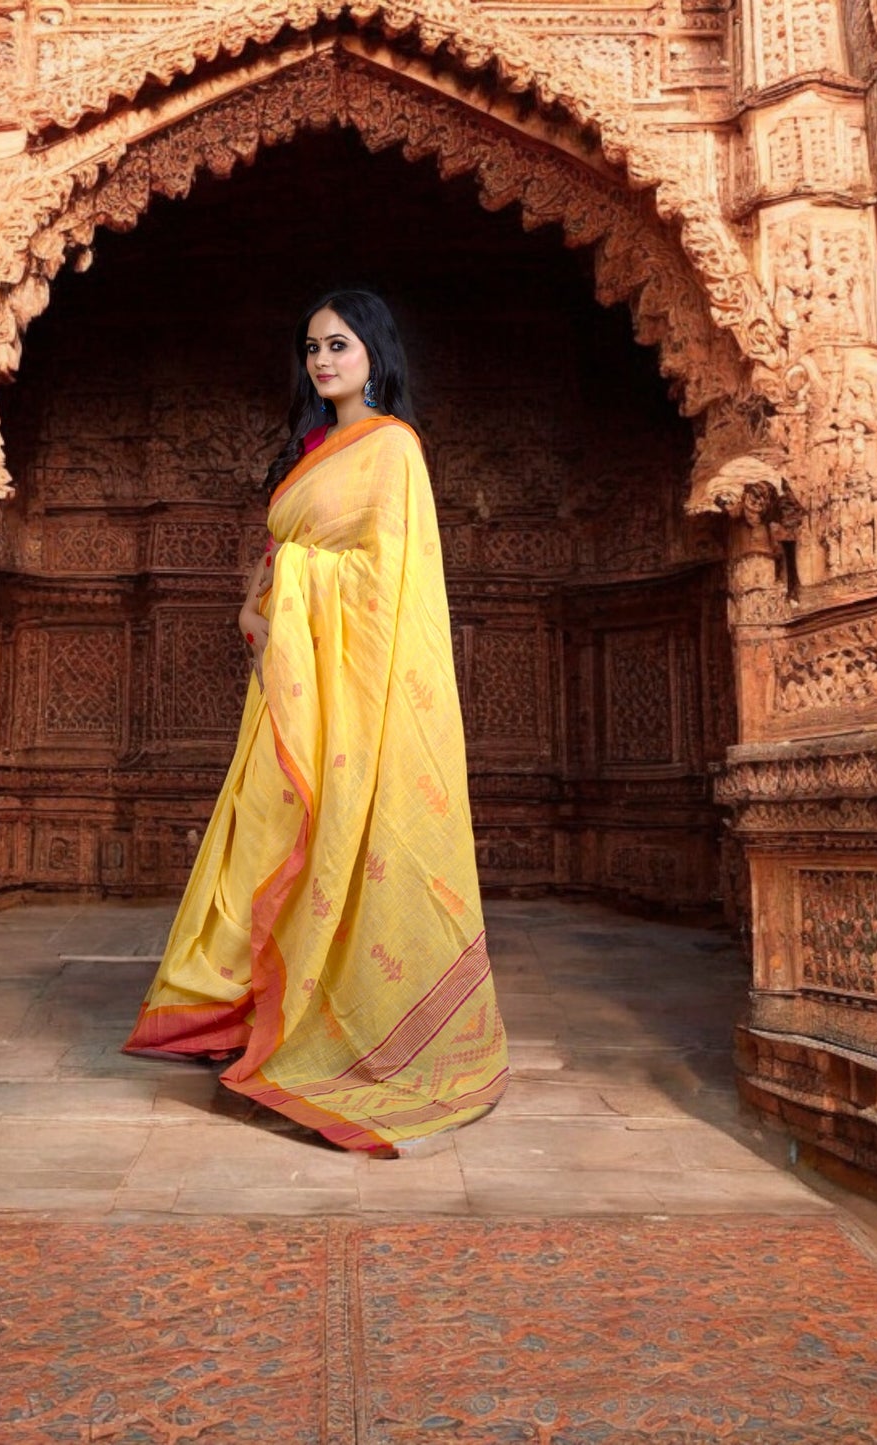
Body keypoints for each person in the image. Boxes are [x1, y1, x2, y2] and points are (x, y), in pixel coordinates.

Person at [123, 290, 508, 1152]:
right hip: (289, 683)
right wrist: (261, 599)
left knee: (332, 833)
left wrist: (292, 583)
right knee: (261, 835)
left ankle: (327, 1023)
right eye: (311, 348)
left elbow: (391, 581)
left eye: (338, 345)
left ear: (374, 350)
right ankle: (234, 1003)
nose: (323, 361)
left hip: (350, 687)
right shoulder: (312, 451)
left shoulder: (392, 449)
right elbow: (278, 553)